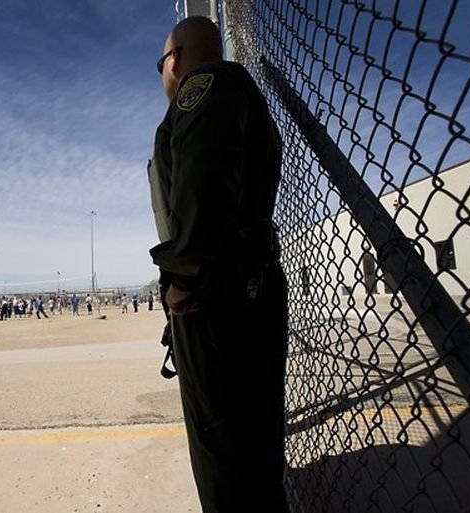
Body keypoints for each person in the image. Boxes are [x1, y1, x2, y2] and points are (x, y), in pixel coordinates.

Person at [149, 17, 289, 512]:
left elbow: (203, 177)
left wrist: (184, 275)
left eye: (161, 63)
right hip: (239, 284)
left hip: (215, 294)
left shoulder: (207, 84)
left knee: (223, 454)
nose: (164, 74)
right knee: (253, 445)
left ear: (177, 59)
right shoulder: (234, 93)